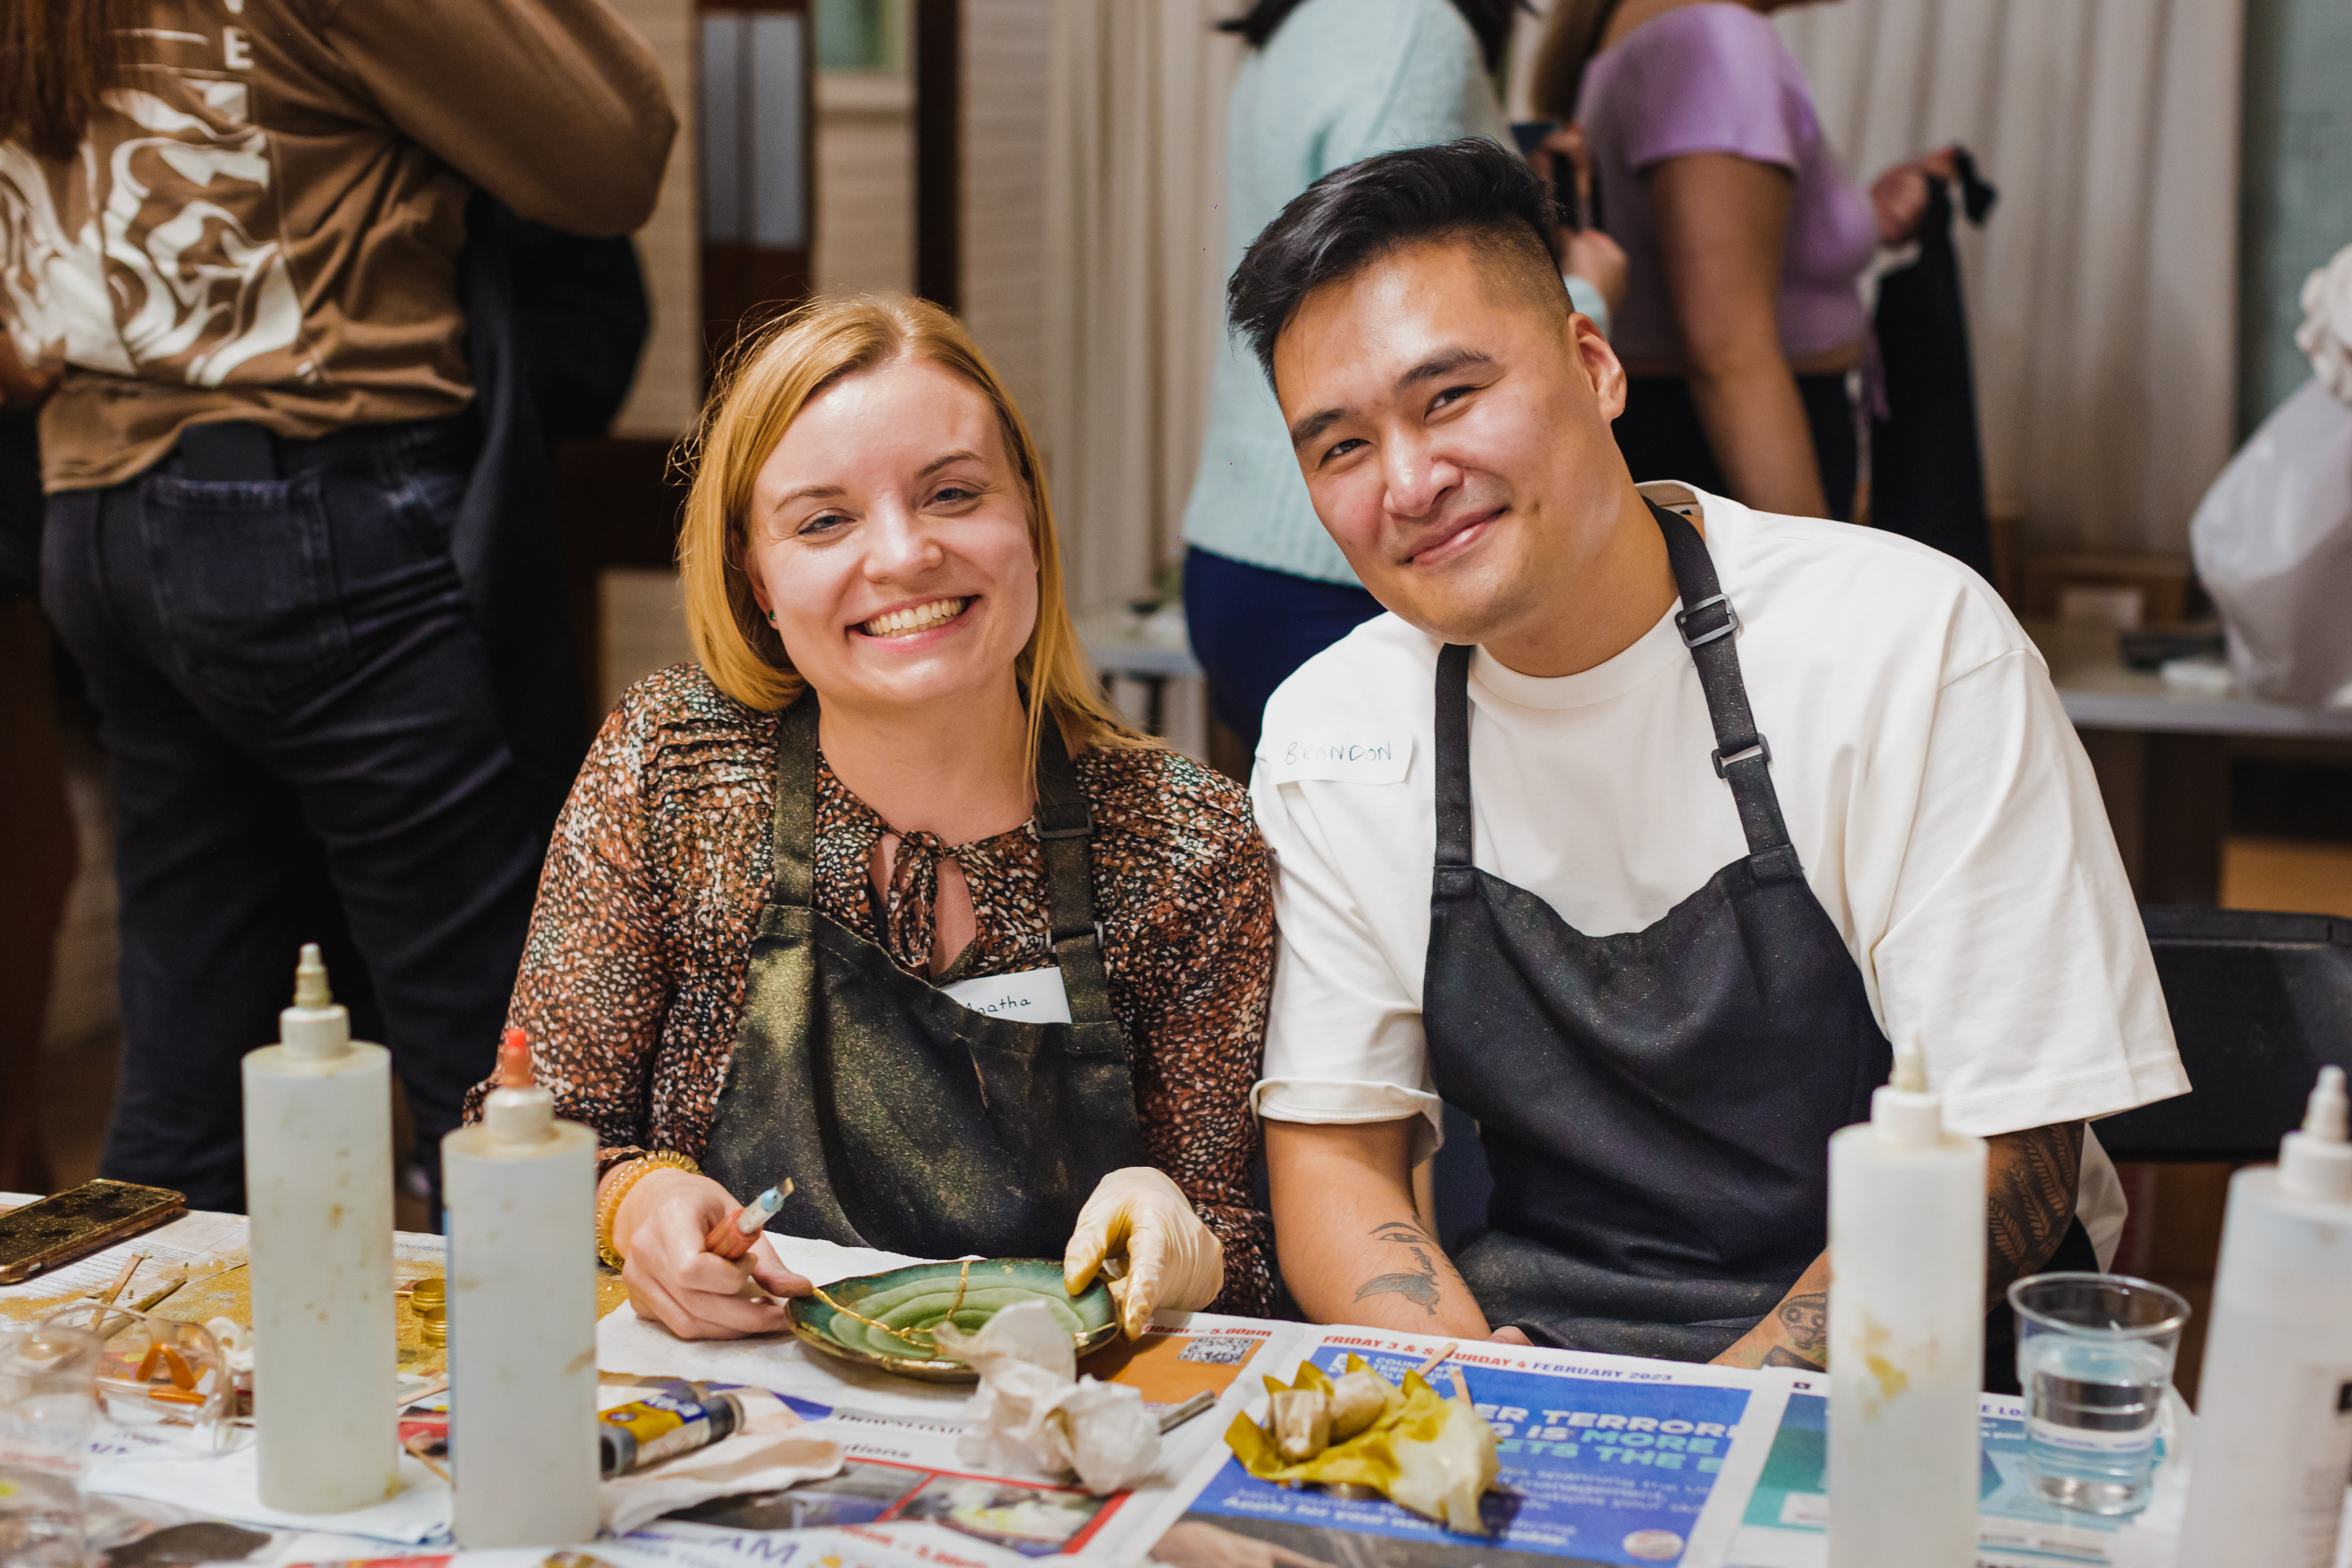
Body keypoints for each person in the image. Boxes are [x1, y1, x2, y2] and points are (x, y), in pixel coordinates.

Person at [1232, 141, 2188, 1374]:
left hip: (1918, 1370)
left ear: (1593, 365)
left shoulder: (1906, 643)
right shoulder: (1332, 729)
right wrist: (1469, 1402)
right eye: (1340, 448)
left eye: (1450, 397)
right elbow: (1337, 1153)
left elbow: (2008, 1144)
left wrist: (1705, 1425)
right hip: (1544, 1349)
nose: (1409, 483)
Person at [471, 295, 1275, 1340]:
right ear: (756, 578)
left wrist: (1185, 1232)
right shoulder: (674, 769)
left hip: (1060, 1412)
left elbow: (1238, 1258)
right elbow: (526, 1132)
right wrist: (636, 1201)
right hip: (742, 1398)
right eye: (823, 520)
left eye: (952, 494)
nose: (902, 555)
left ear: (1029, 520)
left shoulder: (1188, 841)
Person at [0, 0, 676, 1211]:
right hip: (310, 500)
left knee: (188, 1053)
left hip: (97, 507)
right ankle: (547, 1338)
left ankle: (129, 1339)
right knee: (503, 1057)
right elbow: (614, 148)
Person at [1181, 0, 1628, 754]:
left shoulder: (1304, 24)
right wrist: (1590, 293)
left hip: (1239, 555)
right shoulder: (1411, 27)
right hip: (1346, 575)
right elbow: (1390, 311)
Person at [1532, 0, 1954, 521]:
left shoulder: (1649, 36)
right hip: (1727, 461)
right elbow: (1727, 356)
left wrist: (1859, 216)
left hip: (1683, 446)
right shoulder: (1716, 40)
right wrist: (1812, 559)